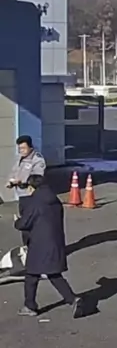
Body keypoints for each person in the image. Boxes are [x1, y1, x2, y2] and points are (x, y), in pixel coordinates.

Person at [14, 175, 83, 318]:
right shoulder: (55, 200)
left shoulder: (35, 202)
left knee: (32, 275)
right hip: (55, 242)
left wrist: (17, 221)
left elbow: (24, 224)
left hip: (39, 244)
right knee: (52, 273)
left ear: (32, 187)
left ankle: (30, 306)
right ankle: (72, 299)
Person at [7, 135, 46, 245]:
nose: (21, 151)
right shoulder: (20, 158)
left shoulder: (37, 159)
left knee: (30, 223)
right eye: (20, 148)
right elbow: (14, 171)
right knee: (25, 223)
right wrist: (11, 182)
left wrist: (21, 181)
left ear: (30, 147)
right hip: (22, 196)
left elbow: (38, 178)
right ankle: (27, 246)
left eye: (24, 148)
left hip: (31, 195)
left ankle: (32, 246)